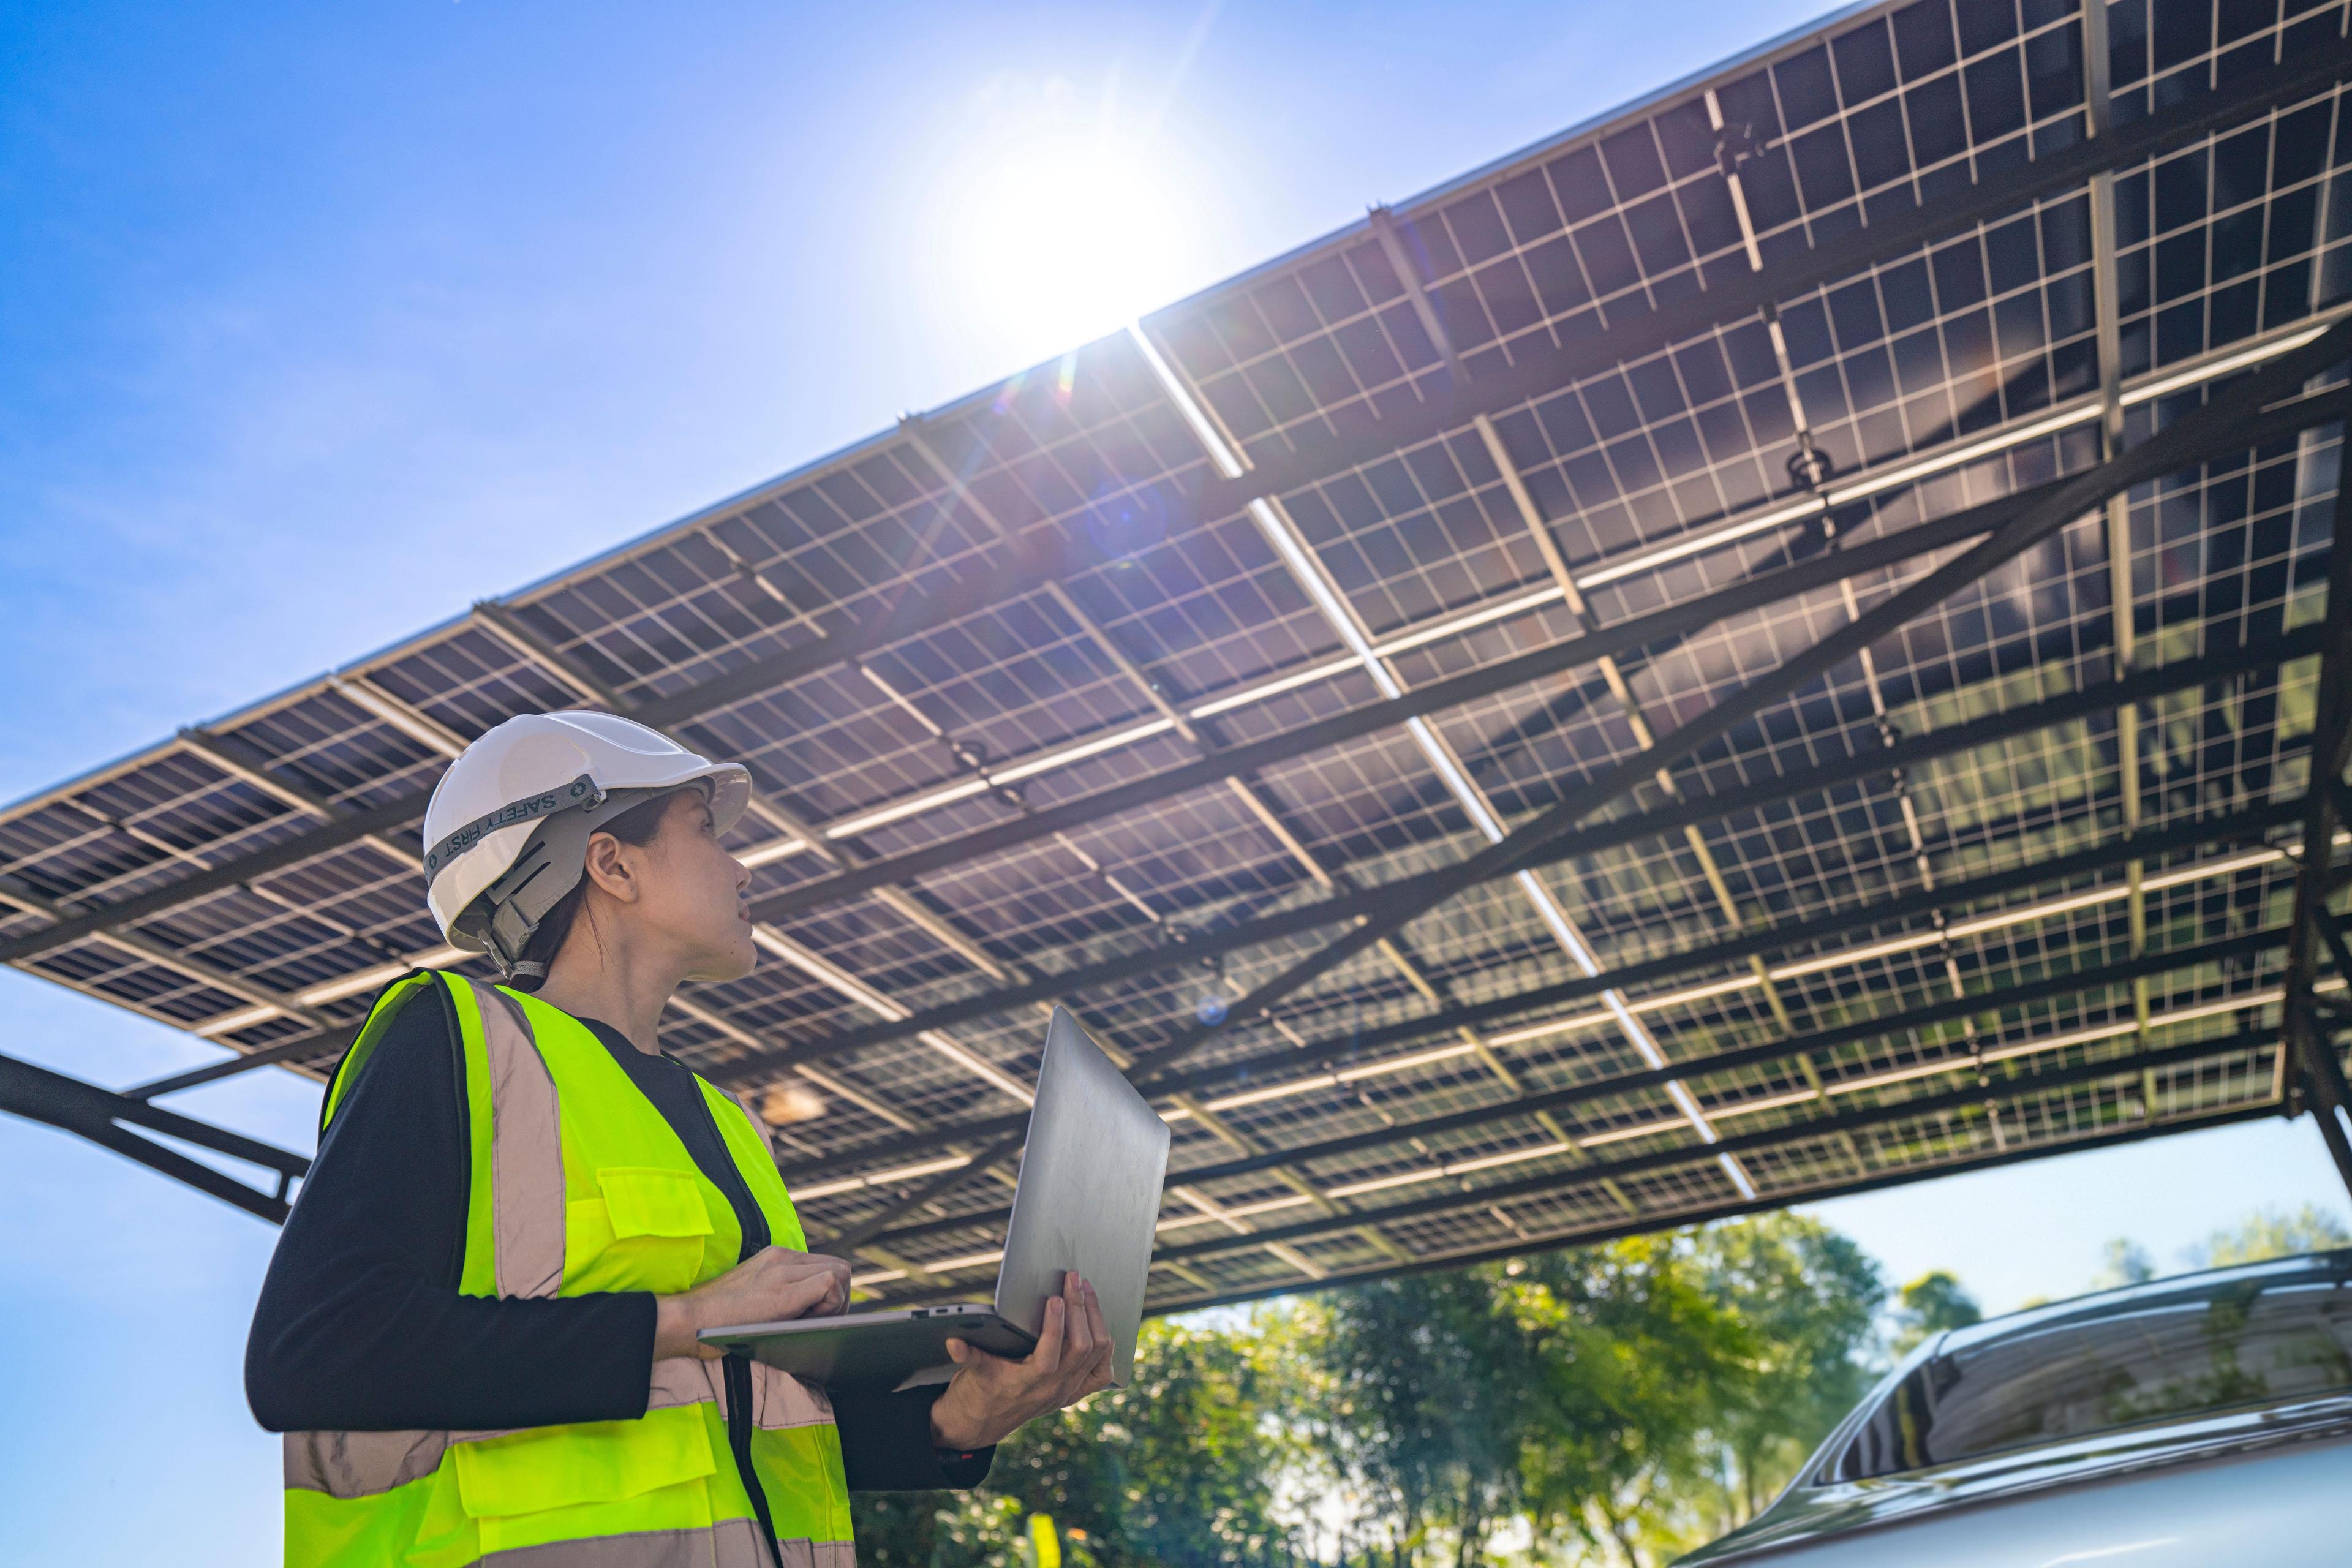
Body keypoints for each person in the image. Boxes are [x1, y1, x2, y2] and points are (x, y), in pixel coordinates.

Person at [246, 711, 1114, 1568]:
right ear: (611, 863)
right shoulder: (451, 1038)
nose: (742, 867)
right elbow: (315, 1354)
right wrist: (690, 1319)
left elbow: (746, 1423)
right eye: (704, 829)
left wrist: (963, 1415)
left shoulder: (730, 1124)